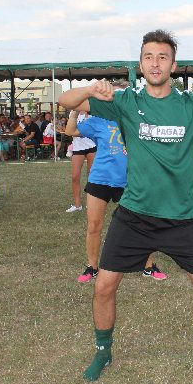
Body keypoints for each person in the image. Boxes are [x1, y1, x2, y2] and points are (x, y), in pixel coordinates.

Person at [58, 29, 193, 381]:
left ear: (173, 65)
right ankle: (103, 352)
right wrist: (90, 89)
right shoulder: (126, 101)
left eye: (162, 57)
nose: (155, 63)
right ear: (140, 64)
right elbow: (65, 100)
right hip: (134, 215)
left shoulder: (192, 105)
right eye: (149, 57)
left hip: (181, 219)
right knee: (103, 286)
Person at [66, 81, 168, 283]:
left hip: (130, 180)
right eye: (114, 96)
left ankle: (148, 266)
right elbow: (71, 131)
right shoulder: (98, 120)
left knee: (141, 224)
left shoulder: (137, 120)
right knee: (94, 225)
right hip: (101, 179)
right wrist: (75, 110)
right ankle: (92, 267)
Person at [64, 111, 96, 212]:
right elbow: (69, 130)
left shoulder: (93, 112)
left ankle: (91, 203)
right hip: (78, 147)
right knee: (75, 176)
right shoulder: (73, 113)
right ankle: (77, 205)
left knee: (91, 176)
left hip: (92, 146)